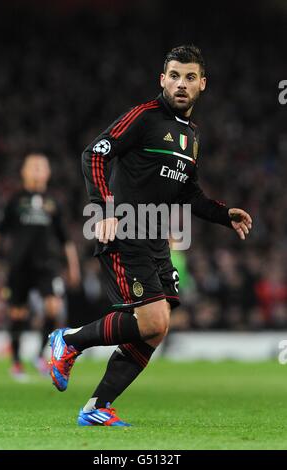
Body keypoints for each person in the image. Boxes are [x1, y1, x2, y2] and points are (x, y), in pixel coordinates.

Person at [48, 45, 252, 426]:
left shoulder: (192, 138)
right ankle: (70, 340)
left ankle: (97, 407)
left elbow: (189, 194)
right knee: (152, 321)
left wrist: (224, 215)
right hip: (126, 230)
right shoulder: (144, 117)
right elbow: (93, 153)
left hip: (156, 237)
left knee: (156, 330)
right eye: (174, 75)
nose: (181, 84)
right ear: (162, 79)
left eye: (190, 77)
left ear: (202, 85)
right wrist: (104, 204)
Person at [0, 153, 81, 379]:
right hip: (19, 264)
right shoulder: (15, 200)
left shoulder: (54, 203)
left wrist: (73, 266)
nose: (38, 170)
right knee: (17, 312)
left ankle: (39, 355)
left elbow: (65, 238)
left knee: (53, 308)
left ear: (48, 173)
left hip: (47, 265)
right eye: (34, 166)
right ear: (24, 172)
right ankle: (17, 362)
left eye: (42, 167)